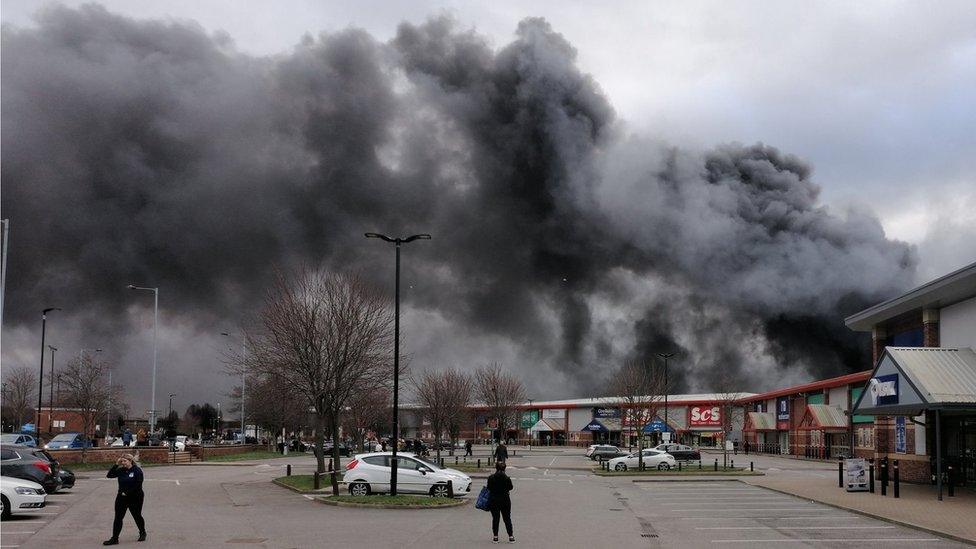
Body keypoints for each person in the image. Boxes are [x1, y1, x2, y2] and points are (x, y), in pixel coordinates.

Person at [103, 454, 146, 545]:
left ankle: (142, 532)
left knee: (137, 515)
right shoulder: (121, 470)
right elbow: (109, 475)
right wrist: (116, 464)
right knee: (118, 518)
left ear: (131, 461)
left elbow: (138, 485)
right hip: (121, 498)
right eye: (122, 461)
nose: (123, 463)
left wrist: (127, 493)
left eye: (125, 461)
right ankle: (115, 538)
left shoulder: (137, 471)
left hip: (135, 497)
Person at [486, 461, 514, 543]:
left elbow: (489, 487)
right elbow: (511, 487)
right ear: (504, 469)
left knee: (495, 518)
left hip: (494, 500)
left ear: (496, 468)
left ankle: (495, 537)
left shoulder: (491, 477)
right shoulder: (507, 478)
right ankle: (511, 536)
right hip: (505, 500)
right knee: (507, 518)